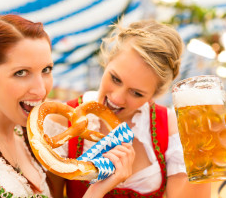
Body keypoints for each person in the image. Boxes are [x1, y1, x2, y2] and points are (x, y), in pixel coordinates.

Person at [0, 14, 134, 198]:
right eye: (21, 72)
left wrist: (101, 185)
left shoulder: (34, 140)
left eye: (46, 70)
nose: (41, 91)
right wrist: (96, 192)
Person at [44, 19, 211, 198]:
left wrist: (206, 153)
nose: (117, 98)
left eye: (137, 93)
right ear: (107, 62)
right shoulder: (63, 121)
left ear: (155, 95)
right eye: (115, 79)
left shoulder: (171, 128)